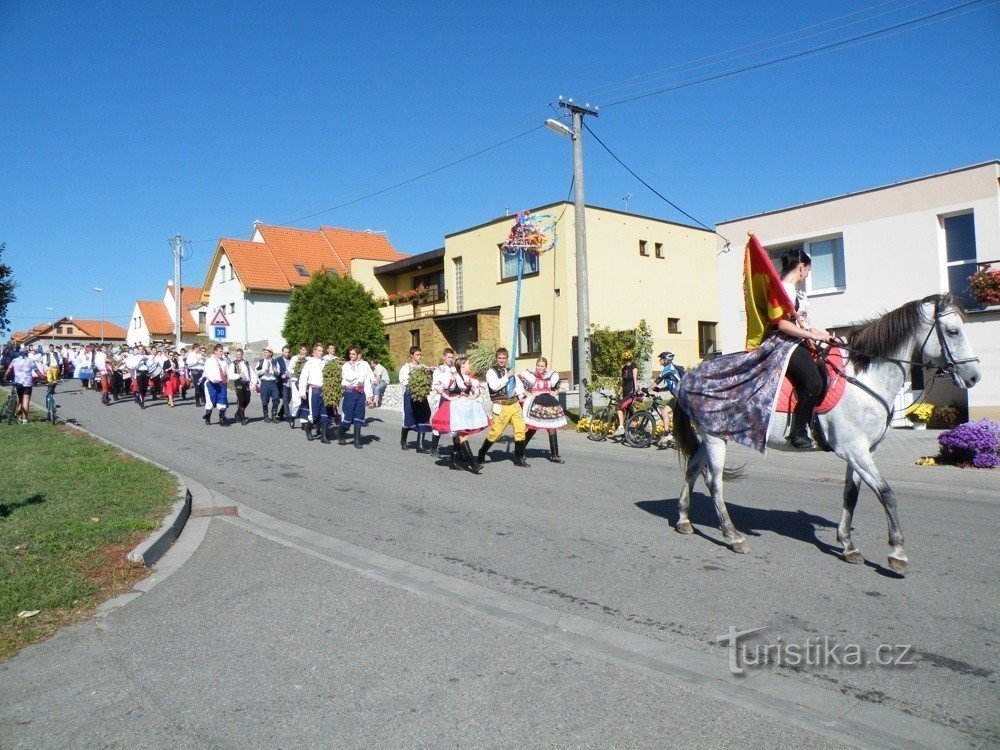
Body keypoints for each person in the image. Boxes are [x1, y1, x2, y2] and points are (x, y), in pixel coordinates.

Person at [775, 248, 832, 448]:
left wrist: (824, 336)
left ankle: (816, 425)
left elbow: (804, 325)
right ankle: (798, 432)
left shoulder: (795, 293)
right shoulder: (783, 290)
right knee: (814, 383)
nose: (807, 275)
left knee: (826, 372)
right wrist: (812, 336)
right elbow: (782, 324)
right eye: (808, 270)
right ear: (801, 267)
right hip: (784, 344)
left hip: (799, 341)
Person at [431, 356, 490, 472]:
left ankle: (453, 462)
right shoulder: (454, 377)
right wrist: (448, 397)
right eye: (468, 363)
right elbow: (437, 386)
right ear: (462, 365)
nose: (470, 366)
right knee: (463, 434)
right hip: (456, 409)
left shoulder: (470, 378)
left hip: (466, 408)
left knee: (459, 437)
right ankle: (473, 464)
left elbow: (477, 391)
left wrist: (471, 396)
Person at [476, 347, 530, 468]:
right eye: (499, 358)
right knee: (496, 433)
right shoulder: (492, 372)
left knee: (520, 430)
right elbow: (494, 386)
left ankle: (519, 457)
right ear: (496, 358)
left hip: (514, 404)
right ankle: (482, 452)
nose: (501, 360)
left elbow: (518, 386)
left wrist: (521, 395)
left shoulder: (511, 370)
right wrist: (507, 377)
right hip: (501, 405)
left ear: (506, 359)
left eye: (504, 358)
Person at [519, 357, 567, 463]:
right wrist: (529, 395)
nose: (540, 368)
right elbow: (519, 387)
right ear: (536, 365)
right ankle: (520, 451)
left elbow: (556, 387)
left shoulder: (550, 376)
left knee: (552, 427)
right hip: (535, 404)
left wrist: (553, 394)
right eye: (538, 365)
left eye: (542, 366)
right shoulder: (530, 376)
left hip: (547, 404)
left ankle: (555, 455)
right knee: (533, 428)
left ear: (546, 367)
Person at [337, 346, 374, 448]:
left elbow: (366, 380)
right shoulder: (346, 365)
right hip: (350, 392)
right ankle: (340, 433)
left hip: (360, 392)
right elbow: (349, 379)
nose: (351, 356)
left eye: (353, 354)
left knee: (359, 416)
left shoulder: (364, 364)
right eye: (350, 354)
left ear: (358, 355)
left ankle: (357, 440)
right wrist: (353, 367)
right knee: (348, 416)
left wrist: (369, 396)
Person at [398, 346, 431, 452]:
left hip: (421, 396)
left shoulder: (423, 366)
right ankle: (403, 441)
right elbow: (403, 380)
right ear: (412, 355)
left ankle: (420, 446)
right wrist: (413, 381)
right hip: (410, 395)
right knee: (408, 417)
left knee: (424, 416)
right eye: (417, 355)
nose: (419, 357)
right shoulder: (406, 367)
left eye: (420, 354)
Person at [297, 343, 329, 443]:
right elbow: (303, 377)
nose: (321, 352)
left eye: (322, 351)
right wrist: (302, 391)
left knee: (324, 413)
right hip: (314, 390)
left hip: (324, 390)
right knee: (314, 414)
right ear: (314, 351)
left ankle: (323, 437)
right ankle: (308, 429)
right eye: (319, 350)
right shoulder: (309, 362)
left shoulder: (325, 362)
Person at [648, 351, 683, 443]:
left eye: (661, 358)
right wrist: (660, 390)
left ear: (666, 360)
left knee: (664, 412)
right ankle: (677, 435)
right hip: (680, 396)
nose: (660, 360)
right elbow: (671, 386)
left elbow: (657, 380)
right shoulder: (671, 369)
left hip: (679, 397)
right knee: (676, 418)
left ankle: (667, 434)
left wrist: (647, 390)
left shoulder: (668, 369)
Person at [427, 348, 456, 457]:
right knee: (441, 423)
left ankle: (457, 450)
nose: (450, 359)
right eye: (448, 357)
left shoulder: (454, 369)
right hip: (445, 396)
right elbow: (437, 385)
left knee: (455, 424)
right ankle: (433, 448)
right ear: (444, 357)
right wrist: (449, 382)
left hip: (454, 396)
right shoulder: (440, 370)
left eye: (452, 357)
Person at [4, 349, 45, 424]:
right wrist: (44, 379)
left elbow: (9, 369)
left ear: (19, 353)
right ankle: (24, 419)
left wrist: (5, 377)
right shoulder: (30, 361)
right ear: (26, 353)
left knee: (20, 400)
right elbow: (37, 372)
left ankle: (19, 418)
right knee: (26, 400)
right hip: (27, 383)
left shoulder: (14, 360)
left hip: (18, 383)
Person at [612, 350, 639, 439]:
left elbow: (635, 380)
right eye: (625, 359)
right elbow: (623, 383)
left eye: (627, 359)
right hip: (625, 393)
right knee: (628, 413)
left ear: (630, 359)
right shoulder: (624, 369)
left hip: (631, 394)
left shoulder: (634, 367)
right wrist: (618, 393)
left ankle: (621, 427)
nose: (626, 361)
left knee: (619, 407)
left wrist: (636, 391)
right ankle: (630, 434)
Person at [202, 344, 230, 426]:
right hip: (211, 383)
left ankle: (222, 420)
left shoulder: (224, 361)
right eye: (220, 351)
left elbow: (227, 371)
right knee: (211, 401)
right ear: (215, 351)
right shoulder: (209, 361)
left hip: (221, 383)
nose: (222, 353)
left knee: (222, 400)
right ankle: (208, 417)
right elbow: (206, 371)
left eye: (222, 351)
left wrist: (226, 377)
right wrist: (211, 378)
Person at [227, 348, 257, 426]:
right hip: (238, 383)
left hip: (246, 383)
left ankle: (238, 413)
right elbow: (230, 375)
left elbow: (252, 374)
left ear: (242, 355)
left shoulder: (246, 363)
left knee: (247, 400)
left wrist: (253, 384)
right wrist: (238, 375)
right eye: (236, 355)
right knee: (241, 400)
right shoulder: (233, 364)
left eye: (239, 355)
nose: (237, 356)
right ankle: (242, 417)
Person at [256, 347, 281, 422]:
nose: (265, 353)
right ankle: (266, 417)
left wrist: (276, 371)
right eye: (264, 352)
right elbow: (257, 371)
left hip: (273, 383)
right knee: (264, 400)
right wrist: (264, 371)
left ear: (270, 353)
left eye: (267, 352)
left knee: (276, 398)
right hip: (265, 382)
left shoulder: (275, 362)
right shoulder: (261, 362)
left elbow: (278, 372)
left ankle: (273, 416)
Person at [276, 345, 293, 424]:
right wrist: (281, 375)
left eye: (288, 352)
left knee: (289, 399)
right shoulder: (278, 360)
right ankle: (288, 416)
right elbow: (276, 371)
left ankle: (280, 412)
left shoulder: (291, 359)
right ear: (282, 352)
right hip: (283, 383)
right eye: (285, 352)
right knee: (285, 399)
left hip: (291, 382)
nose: (287, 353)